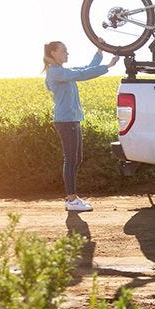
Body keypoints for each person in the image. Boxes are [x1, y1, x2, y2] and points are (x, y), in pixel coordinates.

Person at [42, 41, 118, 212]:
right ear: (53, 53)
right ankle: (72, 199)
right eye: (64, 51)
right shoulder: (55, 72)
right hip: (65, 121)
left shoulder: (63, 72)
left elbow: (85, 69)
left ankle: (72, 197)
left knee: (77, 159)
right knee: (70, 160)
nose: (67, 54)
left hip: (72, 120)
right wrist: (108, 66)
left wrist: (99, 52)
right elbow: (83, 74)